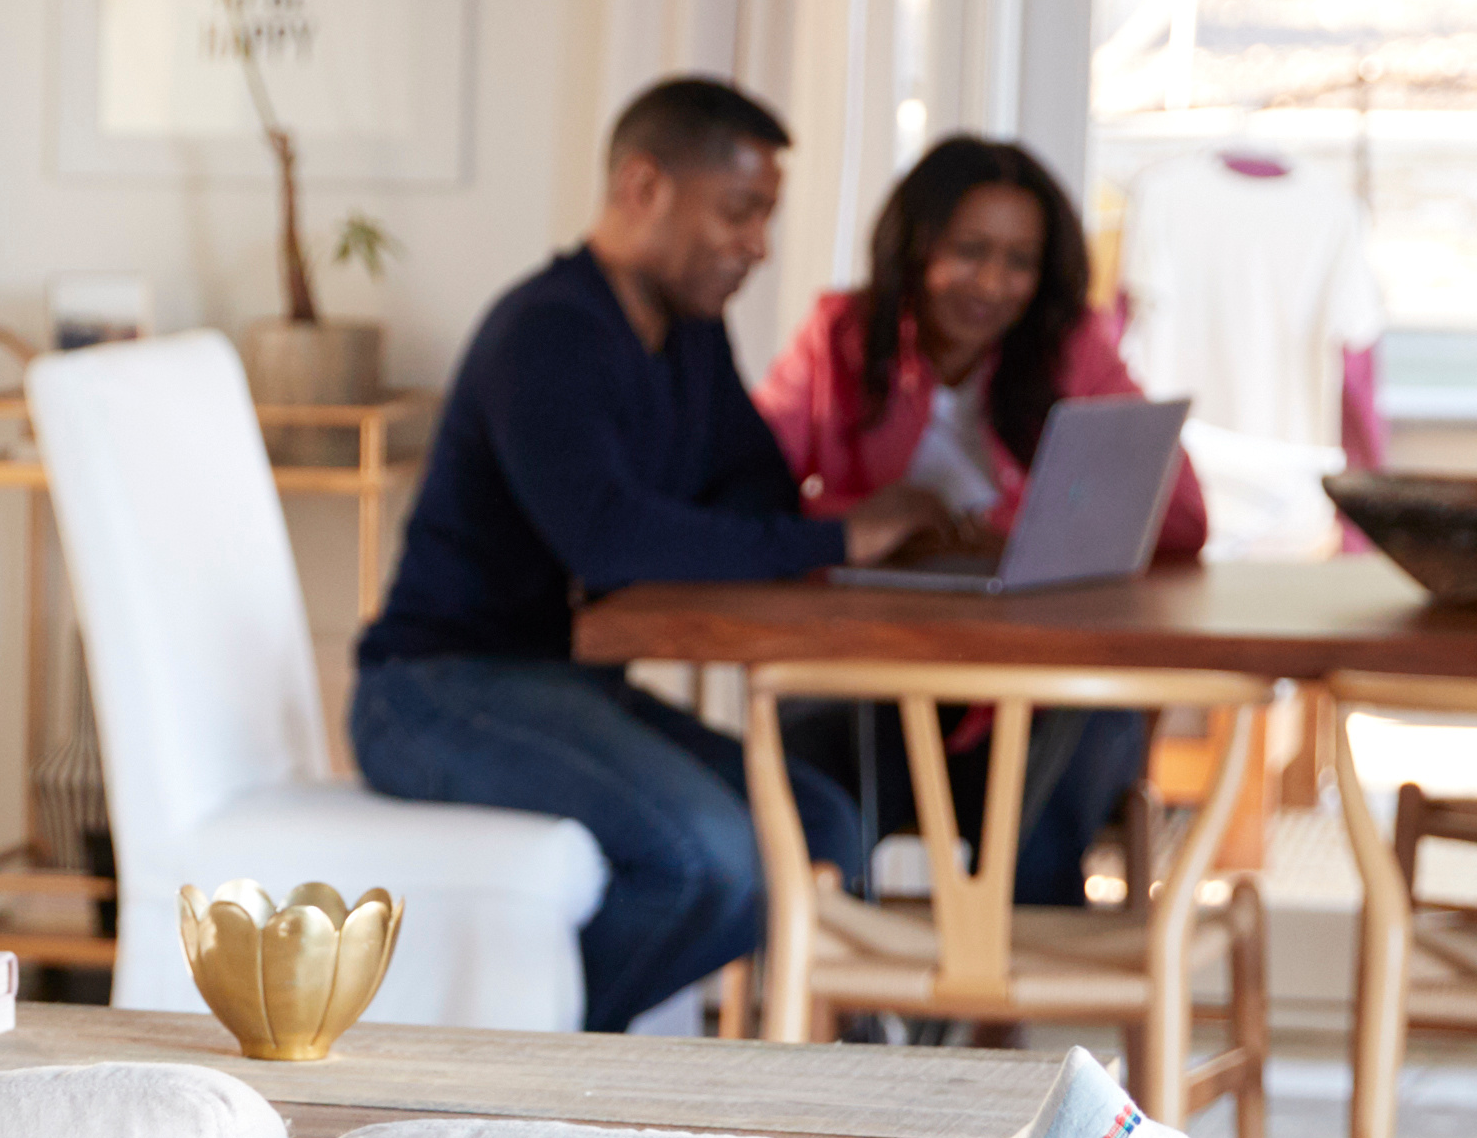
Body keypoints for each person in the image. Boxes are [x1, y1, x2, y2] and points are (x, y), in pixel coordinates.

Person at [346, 77, 942, 1031]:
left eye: (765, 219)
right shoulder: (548, 334)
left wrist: (746, 527)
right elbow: (614, 542)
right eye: (740, 212)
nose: (756, 245)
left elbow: (750, 487)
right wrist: (835, 537)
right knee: (713, 859)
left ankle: (846, 1097)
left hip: (564, 688)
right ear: (643, 185)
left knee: (824, 821)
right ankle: (527, 1073)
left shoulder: (688, 337)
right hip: (436, 692)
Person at [754, 134, 1207, 908]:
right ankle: (837, 1017)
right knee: (809, 784)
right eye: (969, 250)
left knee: (1056, 783)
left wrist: (1025, 538)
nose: (993, 284)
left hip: (1036, 696)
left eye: (1019, 260)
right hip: (881, 682)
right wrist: (874, 523)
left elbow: (1185, 521)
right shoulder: (839, 335)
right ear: (916, 246)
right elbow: (748, 494)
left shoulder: (1072, 349)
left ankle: (987, 1020)